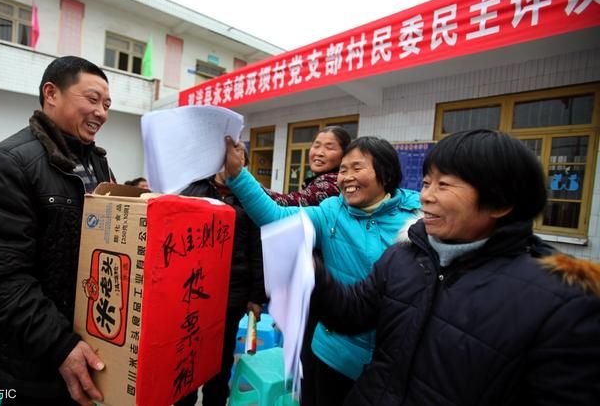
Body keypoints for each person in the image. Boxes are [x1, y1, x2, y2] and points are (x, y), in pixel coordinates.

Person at [311, 129, 600, 405]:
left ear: (499, 202)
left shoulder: (562, 303)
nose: (425, 196)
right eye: (426, 183)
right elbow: (351, 313)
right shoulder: (404, 256)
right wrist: (311, 273)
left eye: (444, 185)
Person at [0, 56, 115, 405]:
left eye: (107, 105)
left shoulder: (95, 162)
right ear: (51, 94)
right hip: (30, 365)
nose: (102, 113)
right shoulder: (5, 165)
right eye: (92, 99)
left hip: (85, 350)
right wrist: (60, 344)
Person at [224, 136, 421, 405]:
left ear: (385, 174)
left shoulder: (416, 220)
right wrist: (238, 174)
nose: (347, 177)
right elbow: (275, 217)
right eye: (343, 169)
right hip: (329, 353)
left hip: (387, 362)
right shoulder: (331, 211)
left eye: (357, 168)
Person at [176, 147, 267, 406]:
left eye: (237, 162)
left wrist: (256, 297)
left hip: (232, 291)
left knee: (221, 357)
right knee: (188, 354)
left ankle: (215, 401)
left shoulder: (250, 197)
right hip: (192, 289)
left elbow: (257, 248)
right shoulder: (194, 190)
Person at [264, 126, 350, 206]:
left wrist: (251, 184)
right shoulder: (319, 180)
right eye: (316, 146)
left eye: (329, 148)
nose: (319, 153)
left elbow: (288, 203)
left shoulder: (334, 184)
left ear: (345, 154)